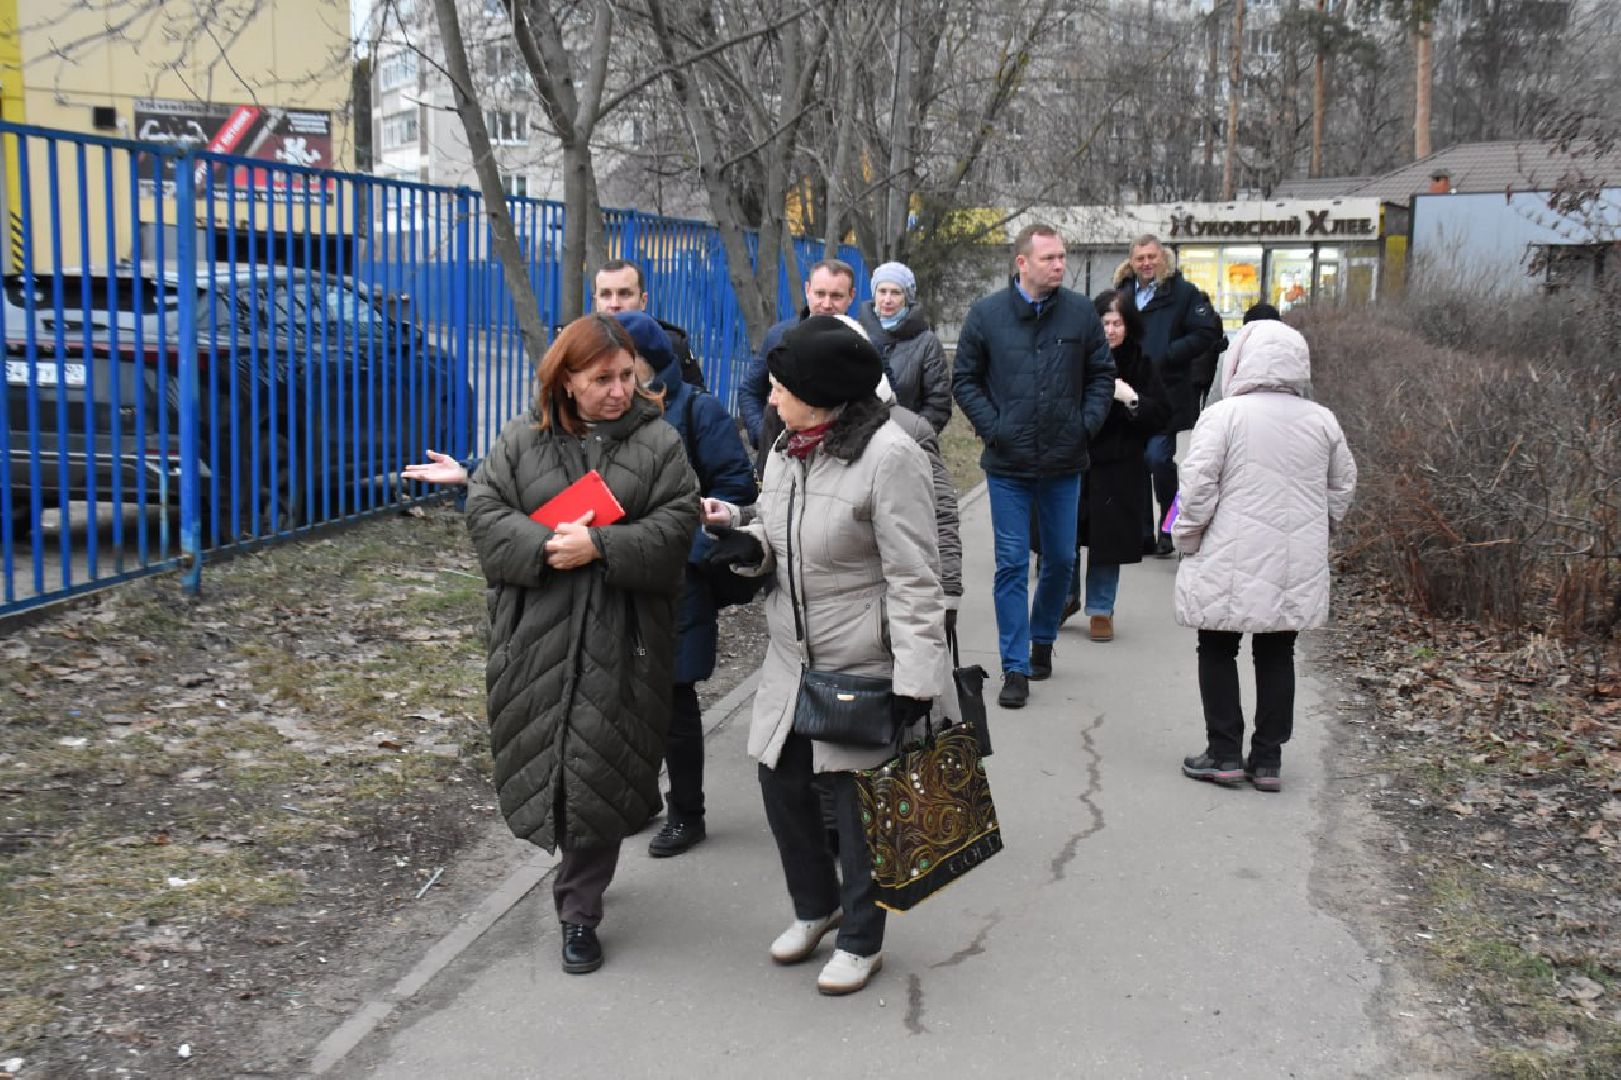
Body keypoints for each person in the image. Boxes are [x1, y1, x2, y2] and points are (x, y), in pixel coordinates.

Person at [700, 315, 951, 996]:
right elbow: (777, 529)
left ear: (821, 393)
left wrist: (916, 680)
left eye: (782, 388)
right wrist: (747, 545)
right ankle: (815, 908)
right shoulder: (785, 446)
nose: (770, 399)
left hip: (861, 657)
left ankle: (862, 939)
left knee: (859, 801)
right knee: (781, 787)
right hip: (791, 656)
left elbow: (915, 576)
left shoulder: (891, 456)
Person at [464, 314, 699, 974]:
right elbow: (483, 513)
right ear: (565, 381)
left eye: (627, 377)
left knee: (596, 768)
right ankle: (581, 876)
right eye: (601, 379)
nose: (618, 391)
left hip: (620, 641)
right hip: (534, 637)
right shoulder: (520, 441)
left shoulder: (659, 445)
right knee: (549, 765)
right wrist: (544, 547)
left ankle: (578, 912)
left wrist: (601, 545)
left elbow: (677, 529)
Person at [1173, 319, 1356, 793]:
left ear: (1238, 362)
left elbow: (1197, 488)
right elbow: (1342, 485)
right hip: (1294, 557)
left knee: (1217, 647)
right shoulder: (1322, 420)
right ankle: (1269, 759)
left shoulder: (1224, 415)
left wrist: (1187, 538)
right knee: (1277, 653)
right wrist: (1323, 529)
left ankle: (1225, 752)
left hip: (1227, 554)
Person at [613, 312, 758, 858]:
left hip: (678, 579)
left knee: (674, 699)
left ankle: (687, 812)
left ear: (646, 361)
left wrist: (690, 544)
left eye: (623, 363)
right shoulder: (610, 409)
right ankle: (641, 798)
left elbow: (735, 487)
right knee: (624, 696)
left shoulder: (698, 409)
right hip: (620, 574)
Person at [953, 222, 1115, 709]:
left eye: (1063, 257)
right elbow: (965, 380)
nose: (1060, 265)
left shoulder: (1081, 313)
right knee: (1011, 564)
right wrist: (995, 427)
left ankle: (1043, 637)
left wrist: (1084, 424)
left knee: (1063, 561)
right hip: (1008, 464)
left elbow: (1101, 374)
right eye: (1050, 258)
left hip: (1064, 461)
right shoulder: (986, 315)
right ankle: (1015, 668)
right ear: (1022, 263)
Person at [1060, 290, 1171, 642]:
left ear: (1129, 326)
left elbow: (1160, 414)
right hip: (1075, 457)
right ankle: (1065, 596)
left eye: (1117, 323)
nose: (1110, 330)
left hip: (1119, 463)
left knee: (1106, 538)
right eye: (1104, 323)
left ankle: (1101, 609)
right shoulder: (1076, 359)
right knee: (1065, 535)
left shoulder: (1141, 363)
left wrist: (1131, 399)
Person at [1111, 235, 1222, 557]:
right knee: (1135, 464)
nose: (1146, 263)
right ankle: (1144, 533)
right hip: (1129, 392)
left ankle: (1170, 523)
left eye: (1151, 257)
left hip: (1167, 394)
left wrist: (1169, 354)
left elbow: (1206, 332)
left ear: (1163, 259)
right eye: (1140, 258)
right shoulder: (1124, 294)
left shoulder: (1183, 294)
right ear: (1131, 261)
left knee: (1158, 460)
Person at [736, 259, 856, 449]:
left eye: (836, 296)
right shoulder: (779, 336)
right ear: (807, 290)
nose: (826, 304)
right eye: (820, 294)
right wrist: (764, 435)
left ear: (851, 296)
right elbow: (749, 391)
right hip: (779, 457)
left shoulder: (864, 345)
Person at [855, 262, 951, 434]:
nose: (887, 299)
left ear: (907, 296)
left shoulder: (926, 343)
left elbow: (938, 405)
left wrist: (911, 438)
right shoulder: (855, 333)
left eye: (896, 292)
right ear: (873, 293)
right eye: (882, 291)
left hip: (907, 444)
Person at [594, 259, 707, 389]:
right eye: (605, 295)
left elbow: (694, 399)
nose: (614, 304)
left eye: (624, 294)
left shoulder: (671, 345)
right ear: (596, 301)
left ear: (643, 301)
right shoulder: (577, 344)